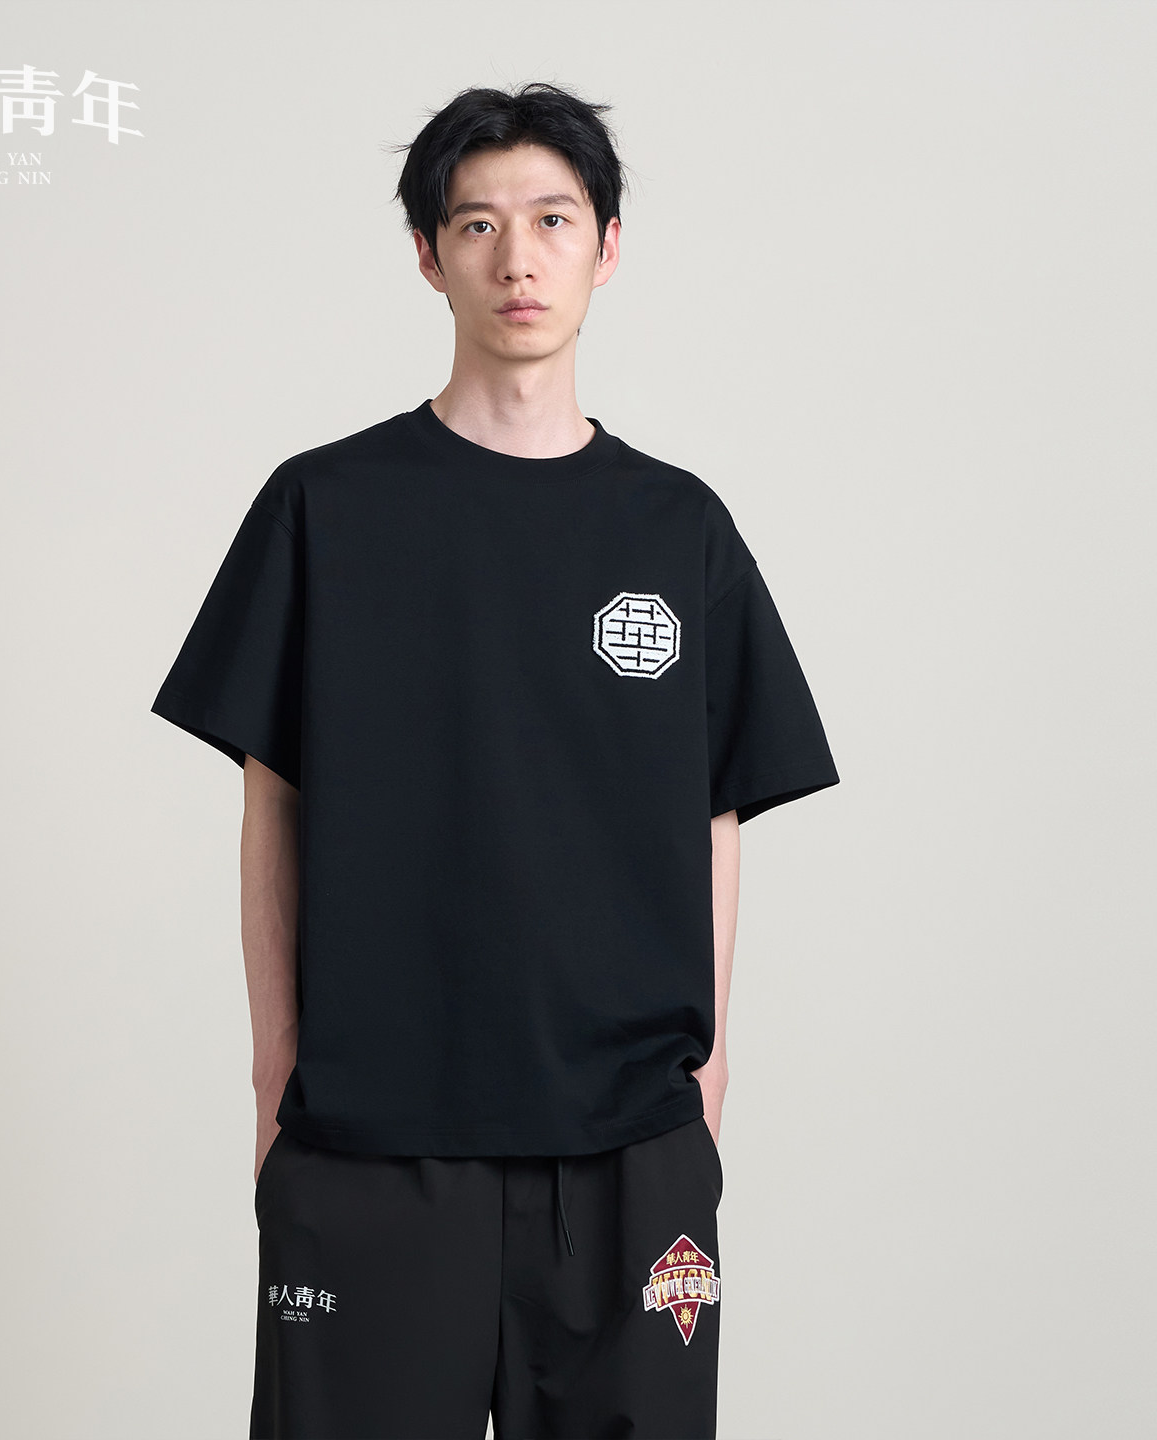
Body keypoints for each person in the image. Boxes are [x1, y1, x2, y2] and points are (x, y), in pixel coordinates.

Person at [151, 79, 840, 1440]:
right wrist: (274, 1078)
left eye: (553, 219)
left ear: (608, 246)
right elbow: (272, 805)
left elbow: (714, 819)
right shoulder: (325, 508)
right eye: (477, 224)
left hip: (629, 1151)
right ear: (428, 255)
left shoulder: (678, 530)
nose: (518, 257)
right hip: (372, 1141)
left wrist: (704, 1089)